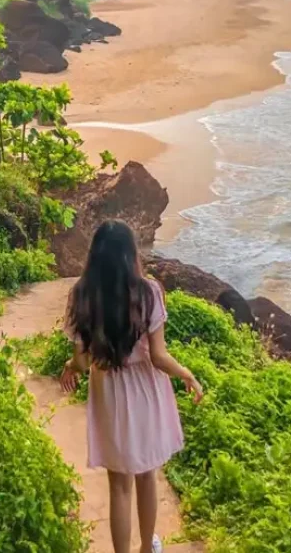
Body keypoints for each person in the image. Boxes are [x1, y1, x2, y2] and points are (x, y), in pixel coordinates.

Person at [60, 220, 204, 553]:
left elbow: (82, 361)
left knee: (119, 485)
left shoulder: (81, 295)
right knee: (147, 473)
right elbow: (159, 356)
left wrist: (70, 366)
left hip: (108, 390)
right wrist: (186, 374)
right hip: (146, 389)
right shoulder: (148, 292)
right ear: (130, 254)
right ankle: (146, 548)